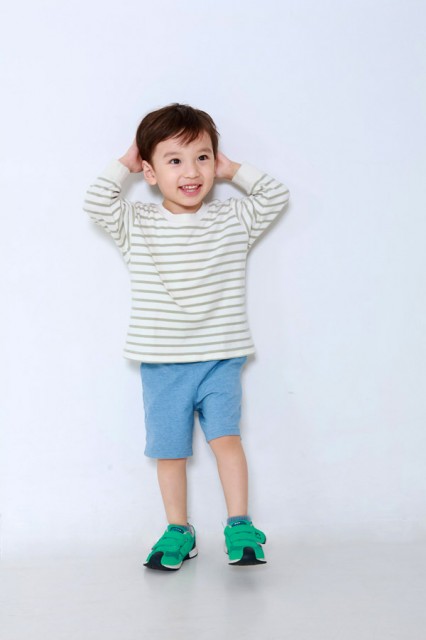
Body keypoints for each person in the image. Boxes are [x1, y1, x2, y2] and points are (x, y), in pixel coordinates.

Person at [83, 103, 290, 571]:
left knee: (226, 440)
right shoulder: (138, 222)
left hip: (221, 358)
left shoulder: (232, 219)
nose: (191, 171)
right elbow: (96, 201)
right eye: (174, 160)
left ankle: (240, 523)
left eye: (202, 158)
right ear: (150, 172)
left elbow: (275, 195)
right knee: (170, 452)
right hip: (162, 364)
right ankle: (179, 529)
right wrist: (129, 159)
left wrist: (232, 169)